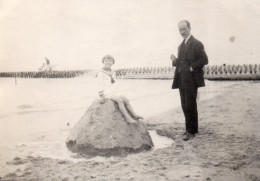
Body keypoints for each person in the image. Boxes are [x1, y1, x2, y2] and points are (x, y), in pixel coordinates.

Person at [170, 20, 208, 141]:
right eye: (180, 30)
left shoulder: (197, 43)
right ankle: (190, 129)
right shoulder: (181, 45)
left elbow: (204, 60)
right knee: (184, 104)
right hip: (181, 78)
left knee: (190, 104)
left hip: (191, 79)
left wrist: (192, 68)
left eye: (184, 29)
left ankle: (191, 131)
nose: (182, 32)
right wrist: (174, 60)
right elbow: (181, 62)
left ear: (190, 28)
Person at [96, 55, 143, 124]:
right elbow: (99, 84)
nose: (108, 62)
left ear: (112, 63)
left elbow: (115, 83)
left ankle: (134, 115)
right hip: (106, 92)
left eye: (110, 61)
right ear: (103, 62)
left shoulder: (113, 72)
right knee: (119, 100)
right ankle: (127, 118)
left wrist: (118, 91)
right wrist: (101, 96)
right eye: (106, 61)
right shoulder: (101, 72)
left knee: (126, 99)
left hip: (113, 90)